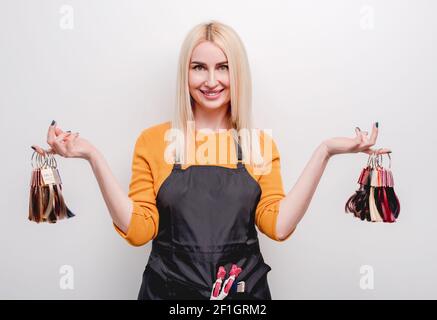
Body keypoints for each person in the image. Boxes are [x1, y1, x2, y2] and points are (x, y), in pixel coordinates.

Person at [31, 21, 391, 300]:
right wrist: (93, 157)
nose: (211, 80)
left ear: (238, 73)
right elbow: (139, 231)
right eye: (199, 67)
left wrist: (324, 151)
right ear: (185, 74)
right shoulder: (154, 141)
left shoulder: (257, 145)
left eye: (223, 67)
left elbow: (277, 227)